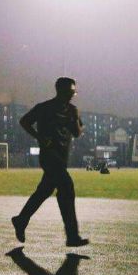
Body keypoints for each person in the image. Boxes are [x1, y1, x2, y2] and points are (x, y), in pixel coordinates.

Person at [12, 77, 88, 247]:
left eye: (73, 92)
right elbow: (24, 121)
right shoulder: (43, 108)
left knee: (44, 191)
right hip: (49, 157)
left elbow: (77, 133)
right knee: (67, 188)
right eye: (70, 91)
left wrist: (76, 118)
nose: (72, 94)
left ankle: (21, 220)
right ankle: (72, 236)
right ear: (60, 90)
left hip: (62, 158)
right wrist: (39, 136)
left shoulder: (72, 110)